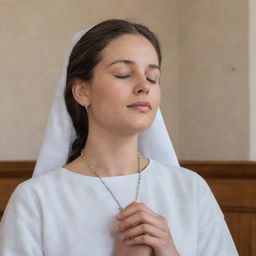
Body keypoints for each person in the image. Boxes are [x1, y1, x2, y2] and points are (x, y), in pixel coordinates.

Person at [0, 19, 238, 256]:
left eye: (152, 77)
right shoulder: (36, 199)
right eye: (123, 74)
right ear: (82, 91)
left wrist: (170, 252)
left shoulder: (190, 188)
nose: (144, 86)